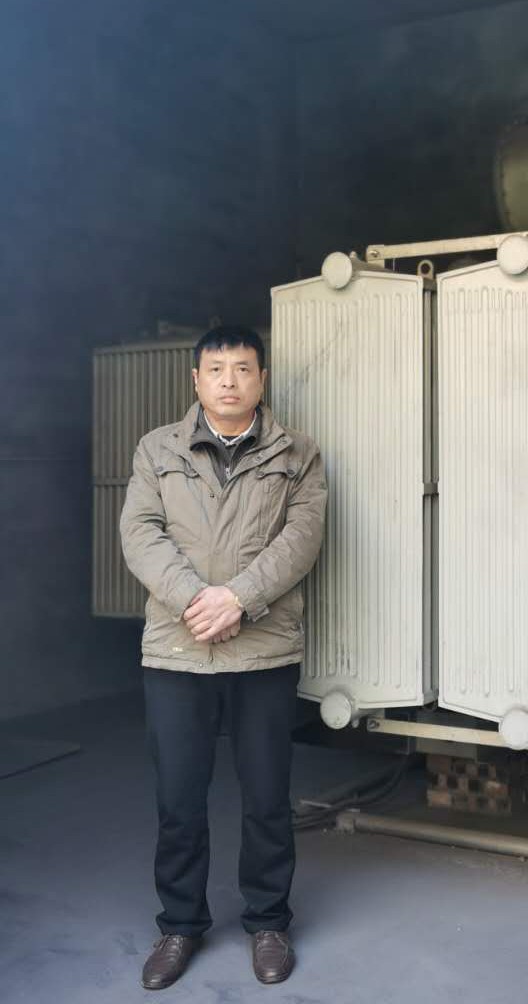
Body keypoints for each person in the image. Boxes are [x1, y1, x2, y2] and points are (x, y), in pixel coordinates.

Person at [120, 325, 327, 990]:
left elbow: (301, 538)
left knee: (266, 797)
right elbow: (140, 532)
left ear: (262, 379)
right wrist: (194, 601)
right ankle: (180, 925)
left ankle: (268, 922)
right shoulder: (157, 449)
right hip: (177, 652)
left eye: (243, 369)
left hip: (262, 652)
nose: (229, 381)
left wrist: (239, 598)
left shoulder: (298, 454)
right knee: (179, 799)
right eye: (216, 369)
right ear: (196, 379)